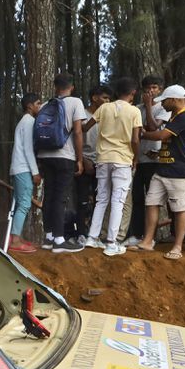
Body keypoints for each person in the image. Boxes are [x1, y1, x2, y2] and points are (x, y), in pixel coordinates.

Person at [138, 84, 185, 259]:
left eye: (164, 101)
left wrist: (142, 134)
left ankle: (178, 247)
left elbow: (163, 136)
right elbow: (175, 143)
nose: (162, 105)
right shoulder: (175, 115)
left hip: (180, 171)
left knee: (179, 209)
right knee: (151, 202)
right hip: (163, 167)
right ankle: (147, 241)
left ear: (174, 100)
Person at [82, 77, 140, 256]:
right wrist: (135, 158)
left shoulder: (104, 108)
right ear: (133, 93)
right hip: (122, 160)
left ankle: (92, 238)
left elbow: (85, 127)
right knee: (118, 201)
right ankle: (111, 242)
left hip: (103, 158)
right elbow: (135, 139)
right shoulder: (134, 111)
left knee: (102, 199)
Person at [36, 73, 88, 252]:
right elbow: (78, 132)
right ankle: (59, 240)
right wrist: (80, 159)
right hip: (64, 155)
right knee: (60, 197)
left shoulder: (45, 104)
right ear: (71, 87)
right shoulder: (75, 102)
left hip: (45, 155)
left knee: (49, 195)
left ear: (55, 87)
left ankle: (49, 236)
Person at [122, 75, 168, 246]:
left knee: (152, 199)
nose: (151, 91)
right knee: (137, 198)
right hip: (138, 159)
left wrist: (149, 106)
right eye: (148, 88)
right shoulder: (136, 108)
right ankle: (136, 233)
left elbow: (153, 126)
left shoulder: (164, 108)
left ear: (160, 89)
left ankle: (151, 236)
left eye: (155, 87)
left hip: (155, 160)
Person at [73, 84, 111, 241]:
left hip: (103, 163)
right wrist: (82, 160)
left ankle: (96, 234)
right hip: (85, 162)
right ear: (94, 98)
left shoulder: (108, 116)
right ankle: (81, 232)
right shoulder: (83, 116)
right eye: (105, 97)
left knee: (100, 200)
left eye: (109, 98)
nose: (108, 101)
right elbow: (76, 137)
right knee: (81, 199)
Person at [8, 92, 42, 252]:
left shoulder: (23, 122)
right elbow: (28, 149)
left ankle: (15, 235)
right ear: (29, 106)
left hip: (18, 167)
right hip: (23, 168)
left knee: (19, 203)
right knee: (24, 204)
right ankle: (14, 241)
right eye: (38, 103)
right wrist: (35, 172)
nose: (40, 107)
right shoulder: (29, 122)